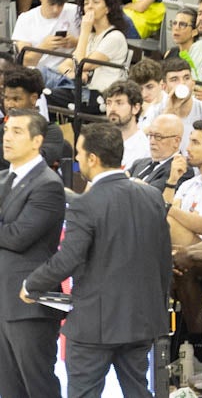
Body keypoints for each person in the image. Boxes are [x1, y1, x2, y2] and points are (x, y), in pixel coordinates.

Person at [23, 122, 172, 398]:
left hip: (94, 325)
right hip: (142, 320)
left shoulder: (85, 203)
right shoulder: (152, 196)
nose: (77, 159)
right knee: (139, 391)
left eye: (79, 153)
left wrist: (32, 285)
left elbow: (68, 258)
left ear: (93, 158)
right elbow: (164, 260)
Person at [0, 107, 67, 398]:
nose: (7, 138)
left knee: (38, 387)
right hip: (3, 303)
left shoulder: (48, 184)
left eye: (17, 131)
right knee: (9, 389)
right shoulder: (4, 178)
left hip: (30, 305)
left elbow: (18, 237)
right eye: (6, 130)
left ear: (37, 140)